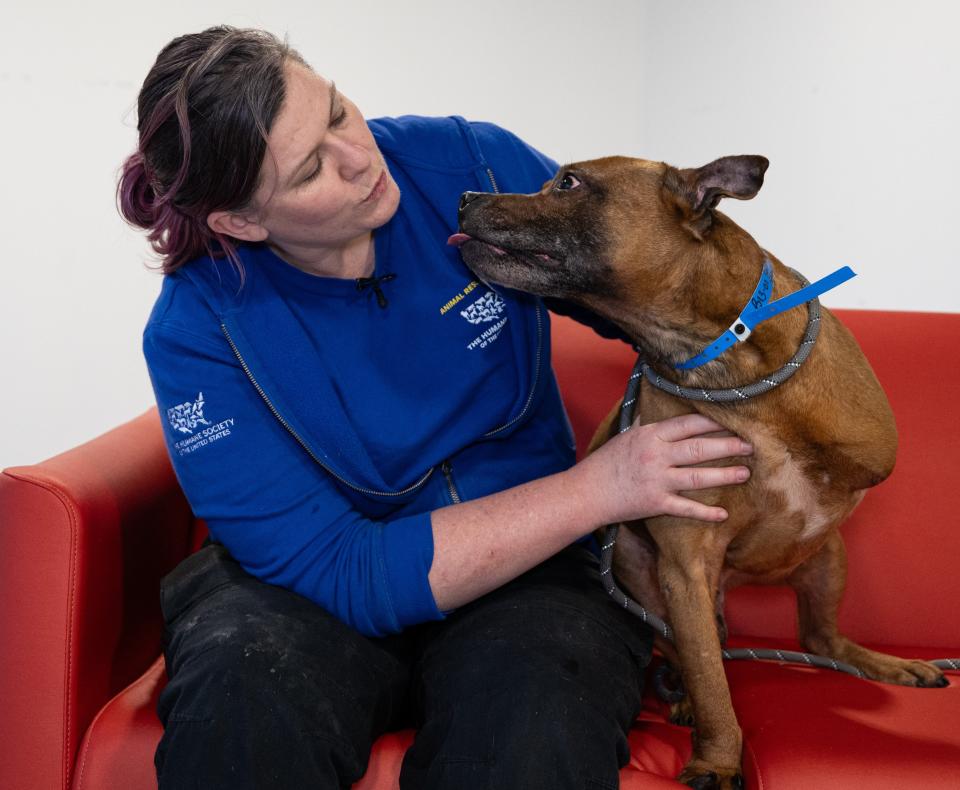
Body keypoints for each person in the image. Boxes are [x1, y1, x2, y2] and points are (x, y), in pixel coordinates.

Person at [118, 25, 753, 790]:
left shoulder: (469, 166)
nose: (360, 160)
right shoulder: (197, 333)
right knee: (242, 699)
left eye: (336, 114)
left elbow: (664, 293)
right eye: (313, 167)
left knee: (534, 721)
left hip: (534, 575)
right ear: (241, 222)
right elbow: (342, 570)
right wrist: (603, 487)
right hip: (306, 596)